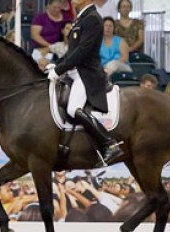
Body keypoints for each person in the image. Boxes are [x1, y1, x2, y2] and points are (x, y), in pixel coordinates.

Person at [46, 0, 124, 168]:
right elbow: (72, 51)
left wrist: (59, 71)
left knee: (73, 108)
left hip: (86, 74)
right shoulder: (81, 18)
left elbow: (83, 51)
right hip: (75, 71)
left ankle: (108, 144)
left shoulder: (93, 18)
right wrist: (58, 65)